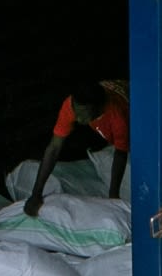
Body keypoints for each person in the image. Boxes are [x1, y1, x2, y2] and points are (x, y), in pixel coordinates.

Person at [24, 79, 129, 217]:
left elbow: (121, 154)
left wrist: (113, 196)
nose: (78, 119)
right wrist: (36, 194)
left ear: (98, 108)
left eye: (83, 114)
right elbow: (54, 148)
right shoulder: (72, 105)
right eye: (76, 112)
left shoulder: (118, 117)